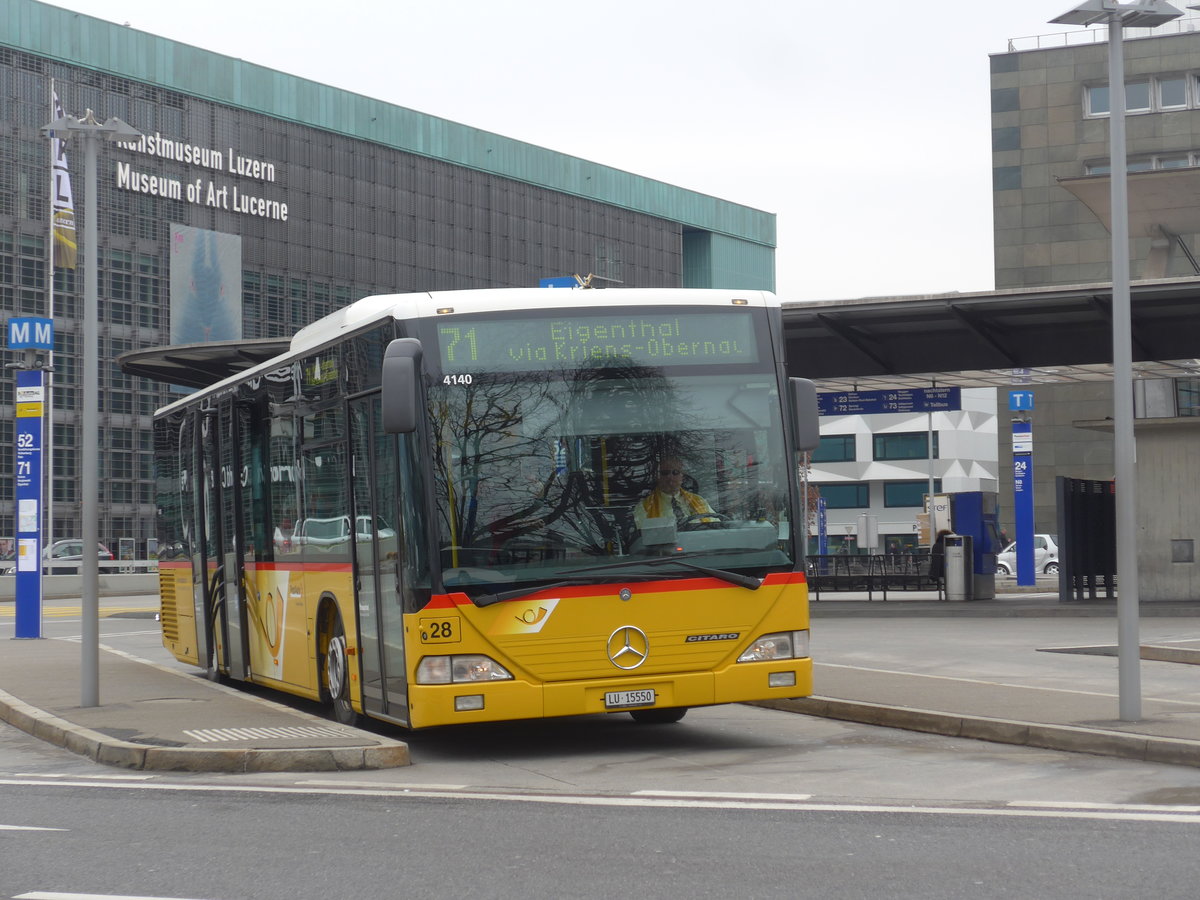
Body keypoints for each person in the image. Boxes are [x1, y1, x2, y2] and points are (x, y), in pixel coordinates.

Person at [633, 457, 715, 529]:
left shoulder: (699, 501)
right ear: (658, 477)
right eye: (665, 473)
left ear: (682, 477)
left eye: (675, 472)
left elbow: (716, 527)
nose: (670, 477)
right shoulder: (644, 507)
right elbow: (642, 537)